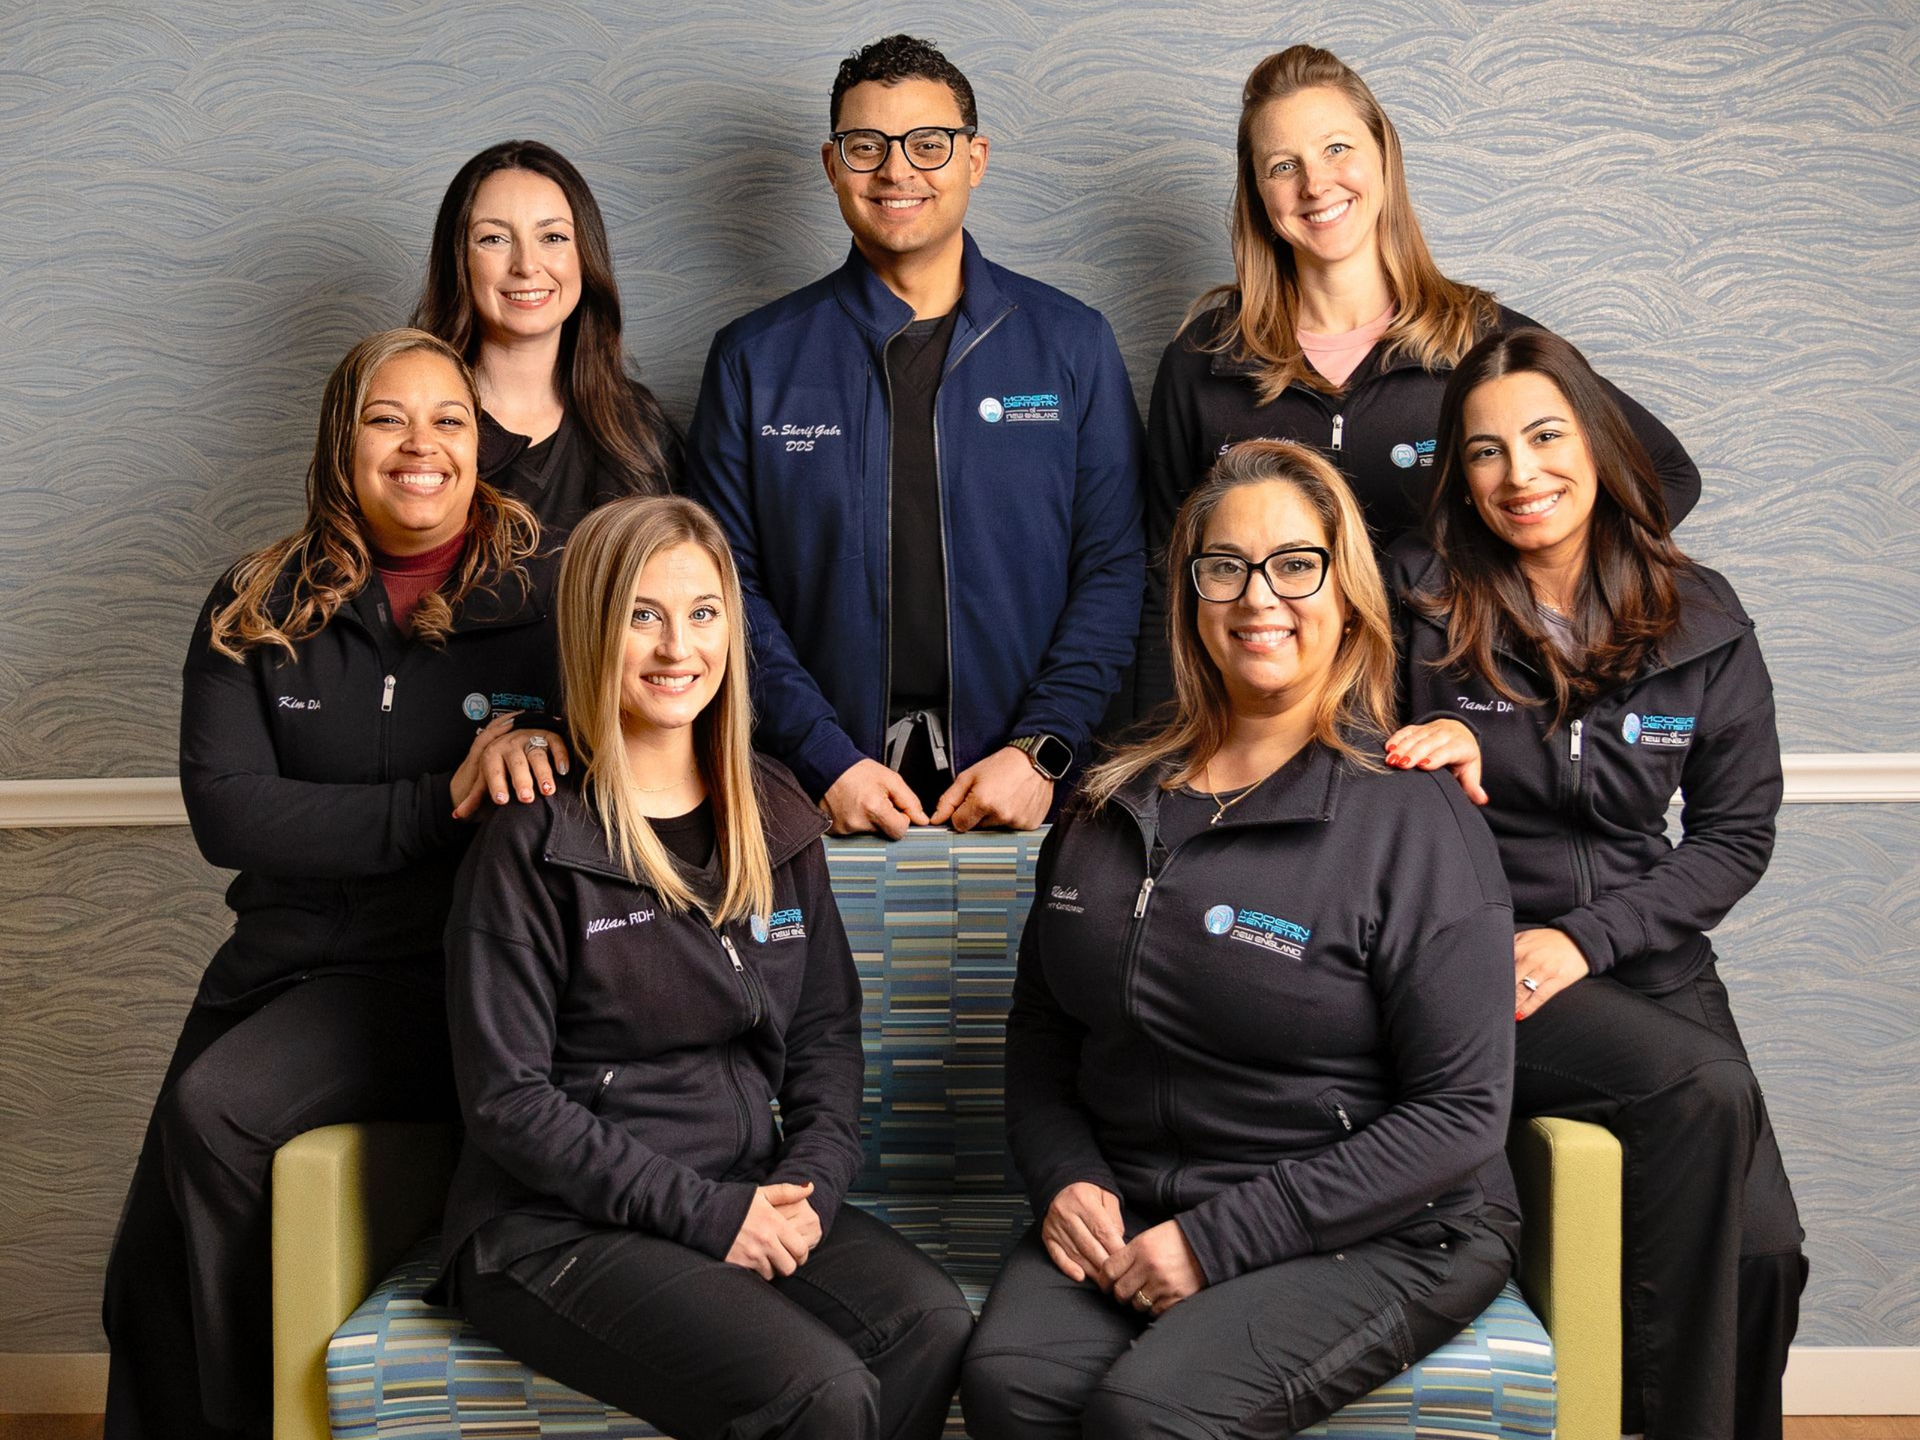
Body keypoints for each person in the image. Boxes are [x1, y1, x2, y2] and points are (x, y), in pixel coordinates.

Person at [959, 441, 1519, 1438]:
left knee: (1148, 1416)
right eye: (1226, 566)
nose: (1260, 596)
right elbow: (1042, 1035)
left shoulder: (1412, 817)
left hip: (1387, 1228)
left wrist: (1217, 1243)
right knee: (1011, 1385)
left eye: (1295, 564)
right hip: (1137, 1199)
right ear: (1191, 596)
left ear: (1345, 594)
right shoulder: (1104, 805)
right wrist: (1067, 1176)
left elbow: (1462, 1115)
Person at [101, 329, 558, 1440]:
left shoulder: (545, 606)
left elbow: (588, 783)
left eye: (448, 419)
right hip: (270, 966)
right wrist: (438, 800)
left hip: (433, 979)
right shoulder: (257, 602)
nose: (421, 446)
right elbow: (230, 813)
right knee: (140, 1274)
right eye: (386, 419)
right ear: (339, 444)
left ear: (479, 442)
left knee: (219, 1115)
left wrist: (525, 757)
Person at [439, 496, 974, 1439]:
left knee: (929, 1325)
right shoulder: (535, 833)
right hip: (552, 1224)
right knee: (818, 1391)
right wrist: (707, 1216)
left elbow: (825, 1039)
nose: (675, 647)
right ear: (595, 628)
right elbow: (508, 1100)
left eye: (701, 613)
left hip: (744, 1181)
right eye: (642, 614)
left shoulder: (774, 811)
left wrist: (805, 1194)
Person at [1386, 327, 1805, 1440]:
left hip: (1638, 959)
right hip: (1480, 958)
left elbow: (1734, 835)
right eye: (1485, 452)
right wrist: (1429, 762)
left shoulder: (1699, 616)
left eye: (1545, 435)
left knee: (1765, 1256)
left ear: (1599, 442)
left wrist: (1592, 940)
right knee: (1701, 1095)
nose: (1520, 476)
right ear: (1459, 480)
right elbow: (1332, 781)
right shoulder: (1418, 605)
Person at [1133, 44, 1702, 713]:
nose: (1315, 184)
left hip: (1447, 719)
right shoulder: (1202, 360)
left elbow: (1664, 475)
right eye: (1283, 166)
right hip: (1262, 721)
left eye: (1337, 148)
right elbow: (1162, 579)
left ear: (1383, 156)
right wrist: (1159, 749)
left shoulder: (1485, 342)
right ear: (1259, 192)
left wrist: (1517, 583)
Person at [686, 34, 1144, 838]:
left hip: (1028, 790)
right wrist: (824, 758)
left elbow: (1114, 567)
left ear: (975, 158)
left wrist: (1042, 750)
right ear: (832, 166)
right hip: (812, 792)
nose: (897, 171)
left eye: (928, 144)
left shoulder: (1071, 343)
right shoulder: (755, 358)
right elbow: (723, 587)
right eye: (867, 146)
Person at [415, 140, 680, 533]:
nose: (526, 265)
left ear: (585, 255)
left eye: (553, 237)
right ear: (458, 260)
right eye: (494, 239)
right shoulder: (412, 429)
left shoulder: (640, 427)